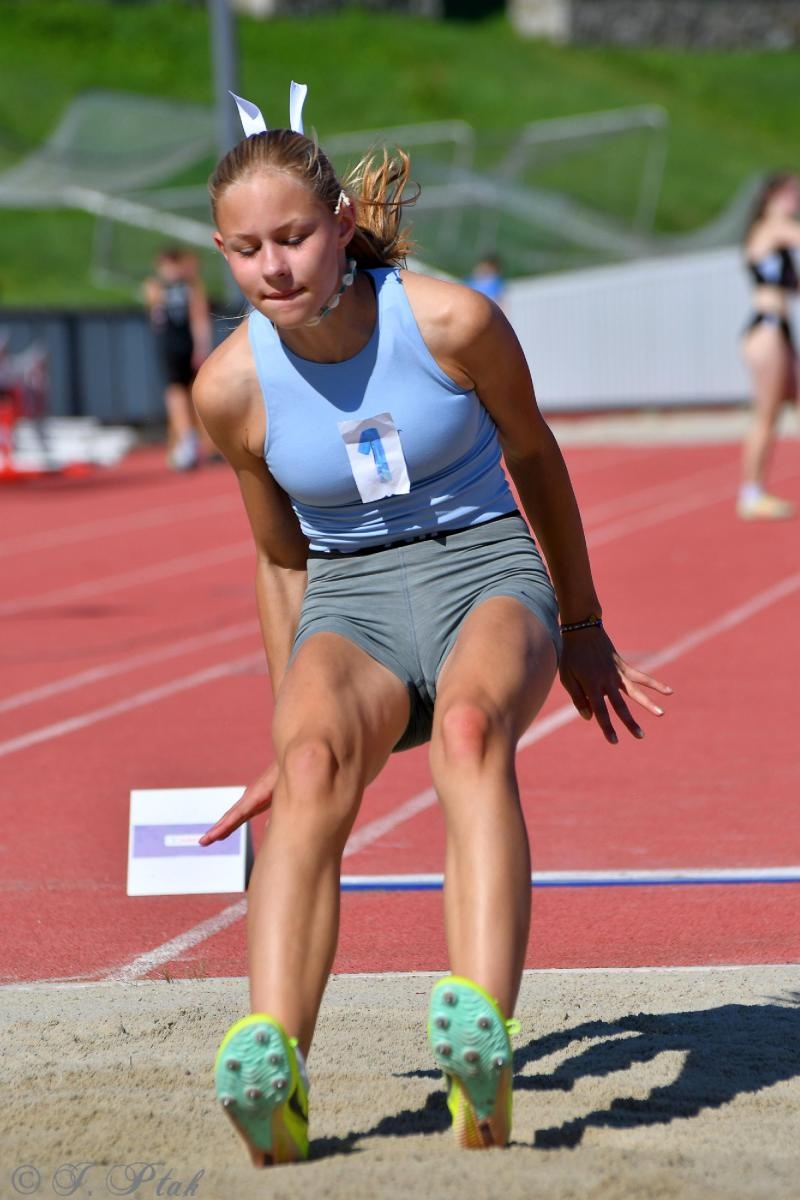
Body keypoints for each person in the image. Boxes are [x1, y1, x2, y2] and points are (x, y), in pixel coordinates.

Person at [194, 85, 671, 1165]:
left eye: (293, 238)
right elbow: (281, 558)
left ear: (340, 225)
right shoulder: (229, 390)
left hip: (483, 570)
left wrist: (583, 622)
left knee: (466, 732)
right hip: (349, 599)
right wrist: (288, 720)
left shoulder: (452, 322)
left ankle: (479, 1044)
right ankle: (274, 1066)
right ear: (222, 254)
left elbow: (535, 457)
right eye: (247, 250)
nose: (274, 267)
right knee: (309, 769)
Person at [739, 172, 800, 520]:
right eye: (792, 192)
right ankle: (751, 494)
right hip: (767, 330)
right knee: (767, 414)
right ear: (773, 195)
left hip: (782, 331)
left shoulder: (782, 242)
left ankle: (753, 491)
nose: (797, 199)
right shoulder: (771, 227)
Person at [144, 247, 212, 471]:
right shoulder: (165, 287)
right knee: (179, 392)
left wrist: (201, 348)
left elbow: (198, 318)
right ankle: (187, 439)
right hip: (173, 345)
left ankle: (193, 439)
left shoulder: (187, 287)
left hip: (179, 344)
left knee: (183, 393)